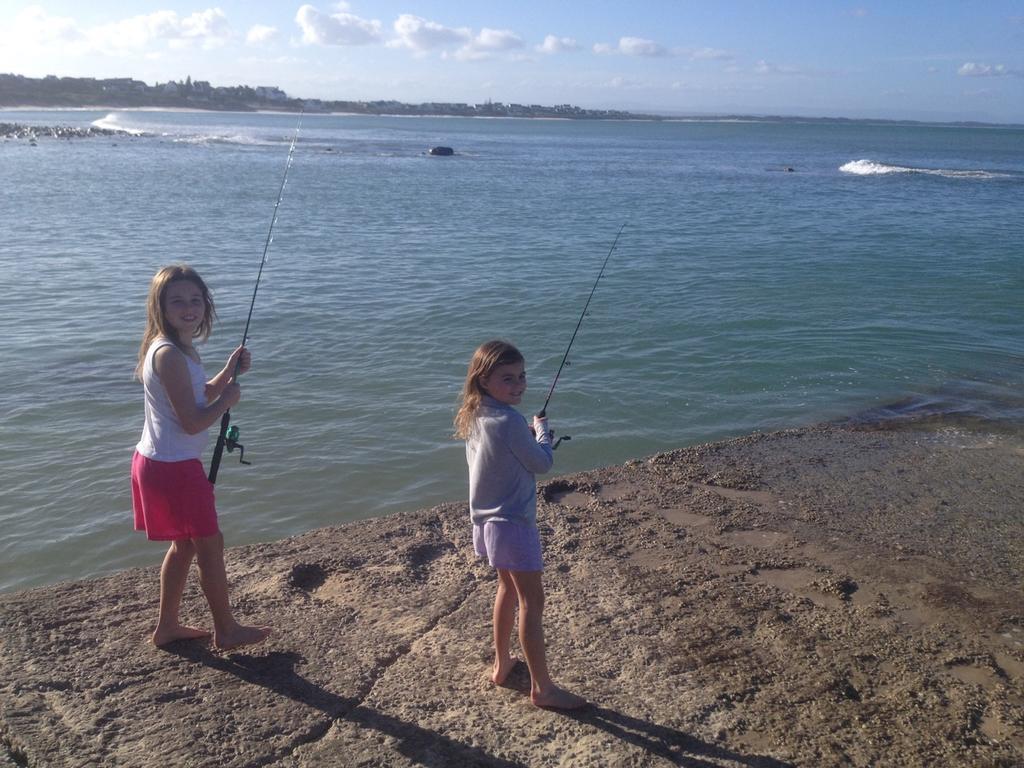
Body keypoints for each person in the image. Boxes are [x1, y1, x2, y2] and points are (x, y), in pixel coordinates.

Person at [131, 264, 271, 650]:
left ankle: (167, 627)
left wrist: (227, 373)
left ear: (205, 306)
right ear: (160, 306)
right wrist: (228, 399)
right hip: (173, 467)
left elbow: (197, 396)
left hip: (161, 462)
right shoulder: (170, 355)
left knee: (186, 545)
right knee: (210, 544)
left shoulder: (177, 348)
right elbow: (192, 422)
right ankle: (226, 630)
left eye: (195, 300)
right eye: (177, 301)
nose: (188, 307)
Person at [455, 340, 586, 709]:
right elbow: (542, 463)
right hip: (512, 522)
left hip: (486, 522)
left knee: (506, 590)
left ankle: (501, 665)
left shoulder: (477, 413)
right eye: (507, 379)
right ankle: (543, 690)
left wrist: (527, 437)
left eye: (522, 376)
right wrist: (542, 432)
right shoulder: (511, 421)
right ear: (483, 380)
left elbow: (501, 456)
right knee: (532, 600)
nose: (519, 385)